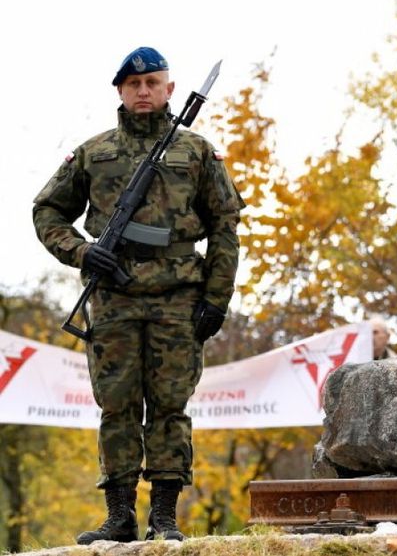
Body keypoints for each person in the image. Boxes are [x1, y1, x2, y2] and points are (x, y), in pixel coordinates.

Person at [32, 47, 243, 543]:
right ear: (121, 92)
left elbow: (225, 226)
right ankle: (119, 515)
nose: (143, 92)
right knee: (118, 407)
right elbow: (47, 212)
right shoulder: (94, 153)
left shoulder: (196, 152)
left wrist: (217, 298)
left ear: (169, 89)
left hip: (177, 300)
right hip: (113, 301)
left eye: (152, 83)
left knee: (170, 407)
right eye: (133, 85)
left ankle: (165, 518)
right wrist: (82, 253)